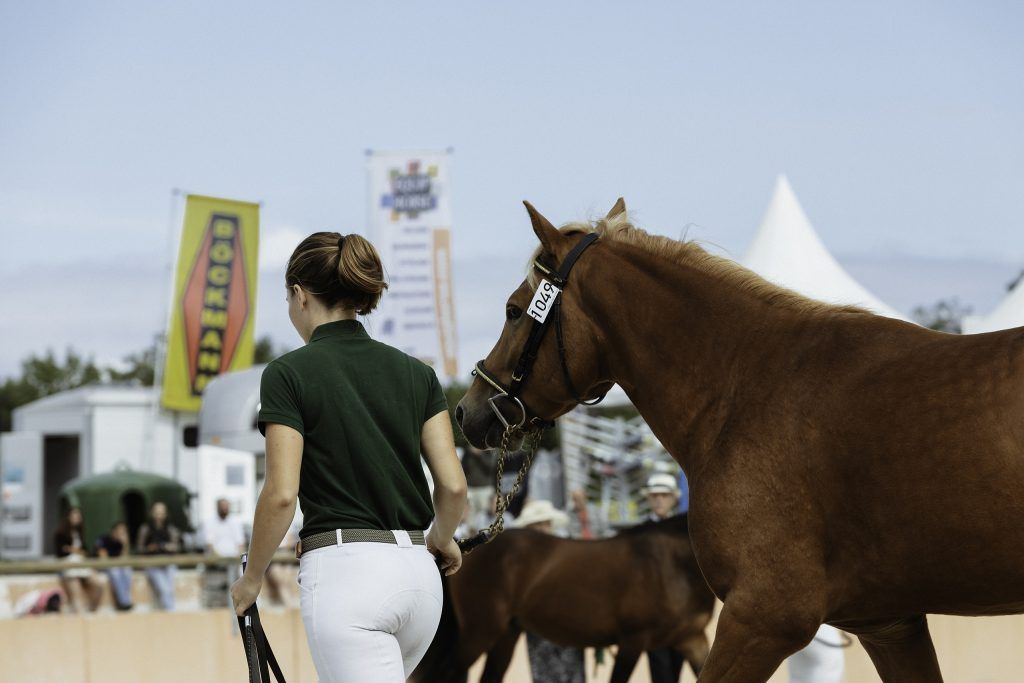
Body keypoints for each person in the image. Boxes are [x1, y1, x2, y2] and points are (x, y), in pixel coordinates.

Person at [230, 231, 468, 682]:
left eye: (287, 297)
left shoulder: (287, 374)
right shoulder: (418, 373)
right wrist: (442, 537)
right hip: (421, 581)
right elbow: (454, 487)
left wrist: (252, 578)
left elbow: (282, 495)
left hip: (348, 578)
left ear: (300, 295)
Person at [514, 499, 586, 683]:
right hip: (539, 627)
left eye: (545, 523)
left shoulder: (567, 551)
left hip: (569, 624)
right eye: (537, 524)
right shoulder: (521, 561)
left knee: (574, 675)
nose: (542, 528)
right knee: (543, 675)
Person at [640, 473, 689, 682]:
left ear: (673, 499)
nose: (659, 499)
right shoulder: (639, 534)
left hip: (681, 616)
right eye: (655, 495)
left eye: (664, 495)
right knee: (661, 674)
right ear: (649, 499)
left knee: (676, 671)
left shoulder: (686, 531)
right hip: (653, 617)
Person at [53, 506, 102, 613]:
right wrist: (76, 550)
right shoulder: (60, 533)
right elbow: (61, 551)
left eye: (78, 515)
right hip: (69, 565)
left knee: (98, 585)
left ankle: (91, 611)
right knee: (76, 593)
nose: (77, 517)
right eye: (74, 515)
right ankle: (81, 618)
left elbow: (85, 551)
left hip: (81, 564)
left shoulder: (79, 533)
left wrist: (72, 549)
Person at [201, 498, 247, 607]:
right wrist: (220, 559)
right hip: (217, 564)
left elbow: (240, 543)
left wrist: (237, 559)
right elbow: (209, 544)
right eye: (222, 506)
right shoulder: (209, 522)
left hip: (233, 563)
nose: (224, 509)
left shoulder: (235, 522)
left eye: (226, 506)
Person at [136, 501, 181, 610]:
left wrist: (167, 546)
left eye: (161, 513)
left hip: (168, 563)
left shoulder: (170, 529)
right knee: (164, 589)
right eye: (156, 513)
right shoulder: (145, 529)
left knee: (170, 590)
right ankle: (171, 614)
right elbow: (140, 548)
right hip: (153, 564)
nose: (159, 516)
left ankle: (170, 613)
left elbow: (177, 546)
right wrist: (150, 548)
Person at [95, 521, 134, 610]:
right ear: (114, 531)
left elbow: (125, 559)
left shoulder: (120, 543)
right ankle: (124, 602)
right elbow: (103, 558)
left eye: (123, 532)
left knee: (127, 570)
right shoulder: (103, 539)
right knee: (115, 571)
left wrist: (125, 544)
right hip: (104, 567)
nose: (121, 534)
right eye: (120, 531)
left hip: (117, 566)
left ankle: (126, 600)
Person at [461, 445, 497, 533]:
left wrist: (479, 455)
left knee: (484, 513)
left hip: (485, 488)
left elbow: (490, 467)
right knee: (470, 514)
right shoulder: (468, 452)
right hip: (470, 488)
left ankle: (485, 533)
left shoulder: (489, 450)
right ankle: (470, 535)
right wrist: (470, 453)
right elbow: (463, 468)